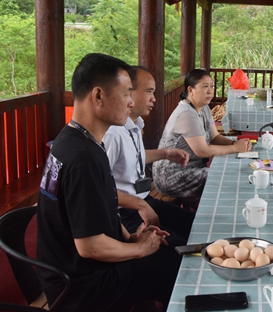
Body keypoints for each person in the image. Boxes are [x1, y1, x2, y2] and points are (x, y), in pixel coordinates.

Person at [36, 53, 179, 312]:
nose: (130, 102)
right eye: (126, 94)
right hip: (82, 284)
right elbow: (90, 246)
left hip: (77, 271)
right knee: (176, 266)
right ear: (98, 96)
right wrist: (140, 249)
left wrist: (130, 238)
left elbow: (102, 206)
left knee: (168, 253)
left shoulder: (74, 140)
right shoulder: (82, 158)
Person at [104, 66, 194, 247]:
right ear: (129, 92)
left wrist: (165, 153)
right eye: (149, 91)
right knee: (178, 249)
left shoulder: (135, 124)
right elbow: (101, 188)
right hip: (125, 212)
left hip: (144, 199)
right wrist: (139, 206)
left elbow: (132, 157)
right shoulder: (113, 134)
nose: (154, 98)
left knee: (195, 226)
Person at [153, 69, 251, 208]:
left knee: (226, 176)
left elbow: (215, 137)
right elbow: (202, 151)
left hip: (191, 168)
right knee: (223, 177)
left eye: (212, 86)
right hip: (171, 175)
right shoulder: (186, 113)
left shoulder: (204, 108)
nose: (210, 91)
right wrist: (235, 148)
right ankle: (214, 213)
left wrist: (234, 143)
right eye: (205, 86)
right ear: (190, 90)